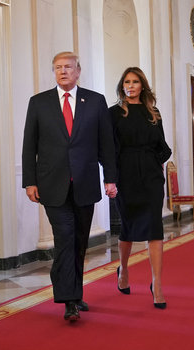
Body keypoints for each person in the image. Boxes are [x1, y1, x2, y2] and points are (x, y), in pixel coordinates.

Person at [22, 51, 117, 322]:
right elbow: (29, 144)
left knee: (79, 241)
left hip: (85, 184)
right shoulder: (39, 103)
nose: (63, 71)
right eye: (58, 67)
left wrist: (110, 178)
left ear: (78, 71)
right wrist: (29, 181)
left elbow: (106, 145)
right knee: (65, 238)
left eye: (68, 67)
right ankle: (68, 301)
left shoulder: (95, 101)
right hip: (52, 185)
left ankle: (74, 292)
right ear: (54, 71)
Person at [110, 67, 172, 309]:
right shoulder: (113, 114)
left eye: (135, 82)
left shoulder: (153, 112)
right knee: (127, 227)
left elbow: (162, 145)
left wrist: (156, 160)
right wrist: (111, 178)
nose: (131, 86)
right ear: (122, 86)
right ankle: (123, 271)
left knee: (154, 227)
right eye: (127, 81)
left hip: (151, 177)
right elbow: (109, 149)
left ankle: (157, 284)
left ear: (142, 86)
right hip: (125, 176)